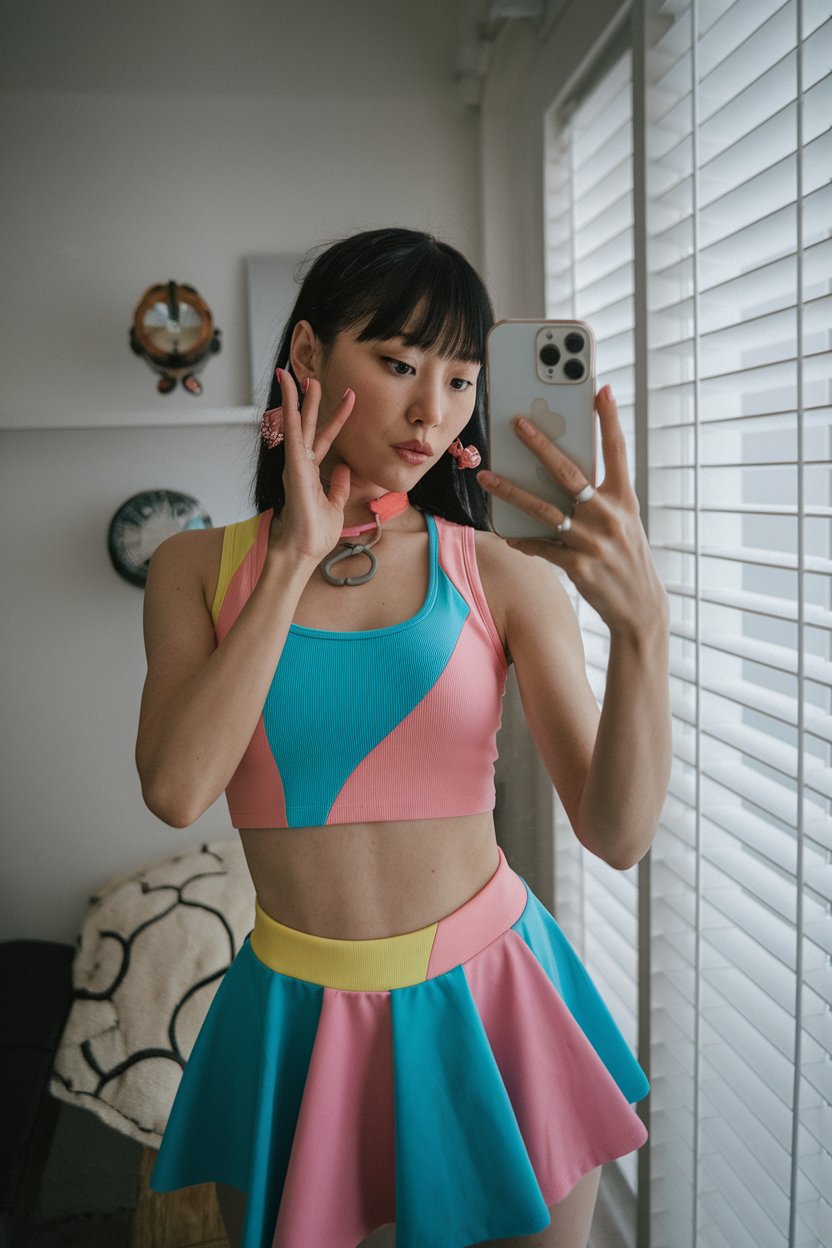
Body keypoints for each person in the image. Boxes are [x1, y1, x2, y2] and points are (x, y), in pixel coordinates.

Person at [136, 228, 671, 1248]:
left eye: (462, 380)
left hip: (499, 1002)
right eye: (398, 364)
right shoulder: (194, 569)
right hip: (295, 1020)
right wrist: (290, 560)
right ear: (307, 355)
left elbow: (617, 833)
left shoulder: (504, 572)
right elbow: (176, 787)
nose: (434, 411)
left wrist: (644, 630)